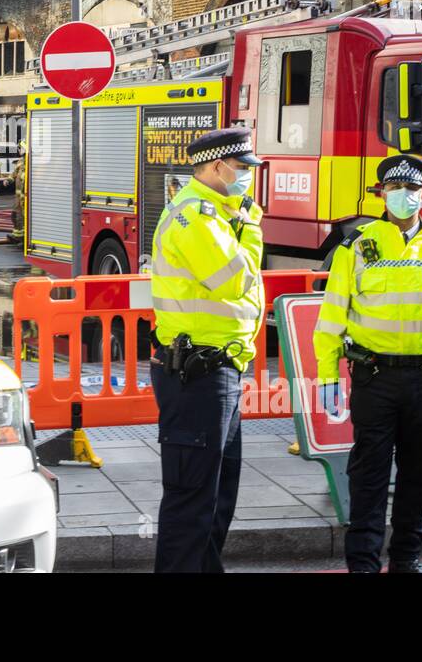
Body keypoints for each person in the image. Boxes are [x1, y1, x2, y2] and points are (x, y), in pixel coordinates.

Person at [313, 155, 422, 574]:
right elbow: (332, 317)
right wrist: (326, 373)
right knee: (369, 474)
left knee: (419, 472)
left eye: (412, 190)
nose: (403, 197)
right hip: (375, 375)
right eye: (394, 189)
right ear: (381, 194)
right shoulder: (357, 246)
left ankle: (406, 558)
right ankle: (363, 563)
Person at [150, 127, 264, 573]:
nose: (247, 179)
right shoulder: (197, 217)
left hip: (218, 367)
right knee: (192, 499)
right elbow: (234, 280)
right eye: (241, 170)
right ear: (217, 167)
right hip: (198, 372)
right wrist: (252, 228)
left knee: (217, 496)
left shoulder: (216, 213)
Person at [8, 139, 26, 244]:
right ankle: (17, 236)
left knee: (24, 218)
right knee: (15, 216)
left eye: (21, 147)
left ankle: (24, 239)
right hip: (18, 197)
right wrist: (9, 180)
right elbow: (14, 174)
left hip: (25, 197)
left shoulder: (31, 163)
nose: (19, 150)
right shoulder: (20, 161)